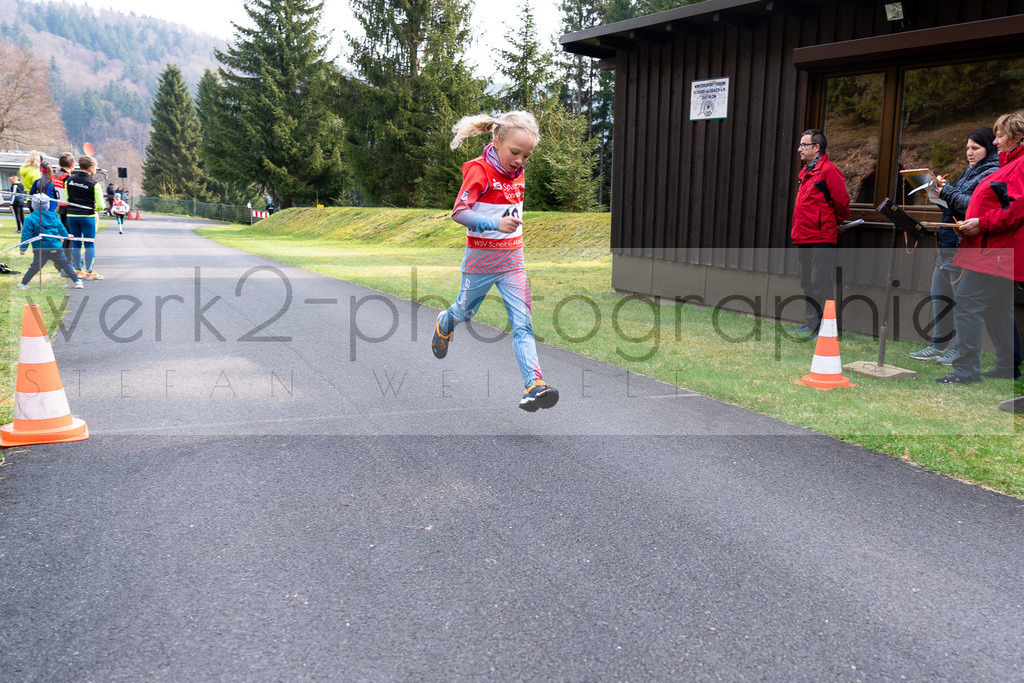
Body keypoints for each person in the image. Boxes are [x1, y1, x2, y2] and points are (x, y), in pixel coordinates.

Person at [430, 111, 559, 411]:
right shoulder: (479, 171)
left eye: (526, 156)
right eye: (515, 153)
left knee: (523, 326)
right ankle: (444, 323)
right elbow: (459, 213)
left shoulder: (518, 171)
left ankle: (534, 385)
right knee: (464, 313)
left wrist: (505, 227)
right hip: (480, 264)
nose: (520, 161)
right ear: (497, 141)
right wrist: (494, 223)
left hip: (513, 262)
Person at [937, 110, 1024, 384]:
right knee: (998, 309)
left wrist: (981, 224)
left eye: (1000, 136)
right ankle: (1008, 366)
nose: (996, 142)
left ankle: (965, 371)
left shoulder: (1020, 166)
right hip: (991, 251)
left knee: (967, 304)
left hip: (994, 253)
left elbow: (1016, 209)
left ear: (1018, 137)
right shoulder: (1009, 164)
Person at [909, 128, 999, 365]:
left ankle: (958, 350)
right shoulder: (970, 171)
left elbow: (973, 207)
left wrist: (946, 192)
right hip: (947, 241)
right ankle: (939, 346)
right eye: (967, 148)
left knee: (963, 302)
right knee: (939, 296)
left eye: (975, 148)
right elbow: (955, 204)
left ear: (989, 148)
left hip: (964, 244)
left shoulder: (992, 172)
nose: (969, 153)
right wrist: (939, 195)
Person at [791, 129, 851, 337]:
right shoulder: (806, 172)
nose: (799, 149)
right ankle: (811, 323)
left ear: (816, 148)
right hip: (803, 235)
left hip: (822, 236)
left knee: (820, 282)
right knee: (806, 282)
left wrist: (838, 221)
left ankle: (828, 327)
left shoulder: (829, 170)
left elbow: (842, 201)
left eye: (803, 145)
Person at [16, 193, 83, 290]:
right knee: (66, 264)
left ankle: (23, 284)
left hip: (40, 249)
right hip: (56, 247)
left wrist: (23, 248)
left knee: (35, 267)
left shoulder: (29, 219)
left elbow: (26, 235)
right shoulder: (54, 217)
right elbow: (61, 228)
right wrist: (66, 236)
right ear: (47, 205)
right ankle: (77, 282)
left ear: (33, 206)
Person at [65, 155, 106, 280]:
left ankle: (77, 270)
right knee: (89, 243)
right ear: (91, 168)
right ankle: (89, 271)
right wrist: (95, 208)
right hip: (87, 216)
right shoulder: (94, 184)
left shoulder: (70, 180)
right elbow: (101, 206)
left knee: (76, 242)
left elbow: (67, 199)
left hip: (71, 215)